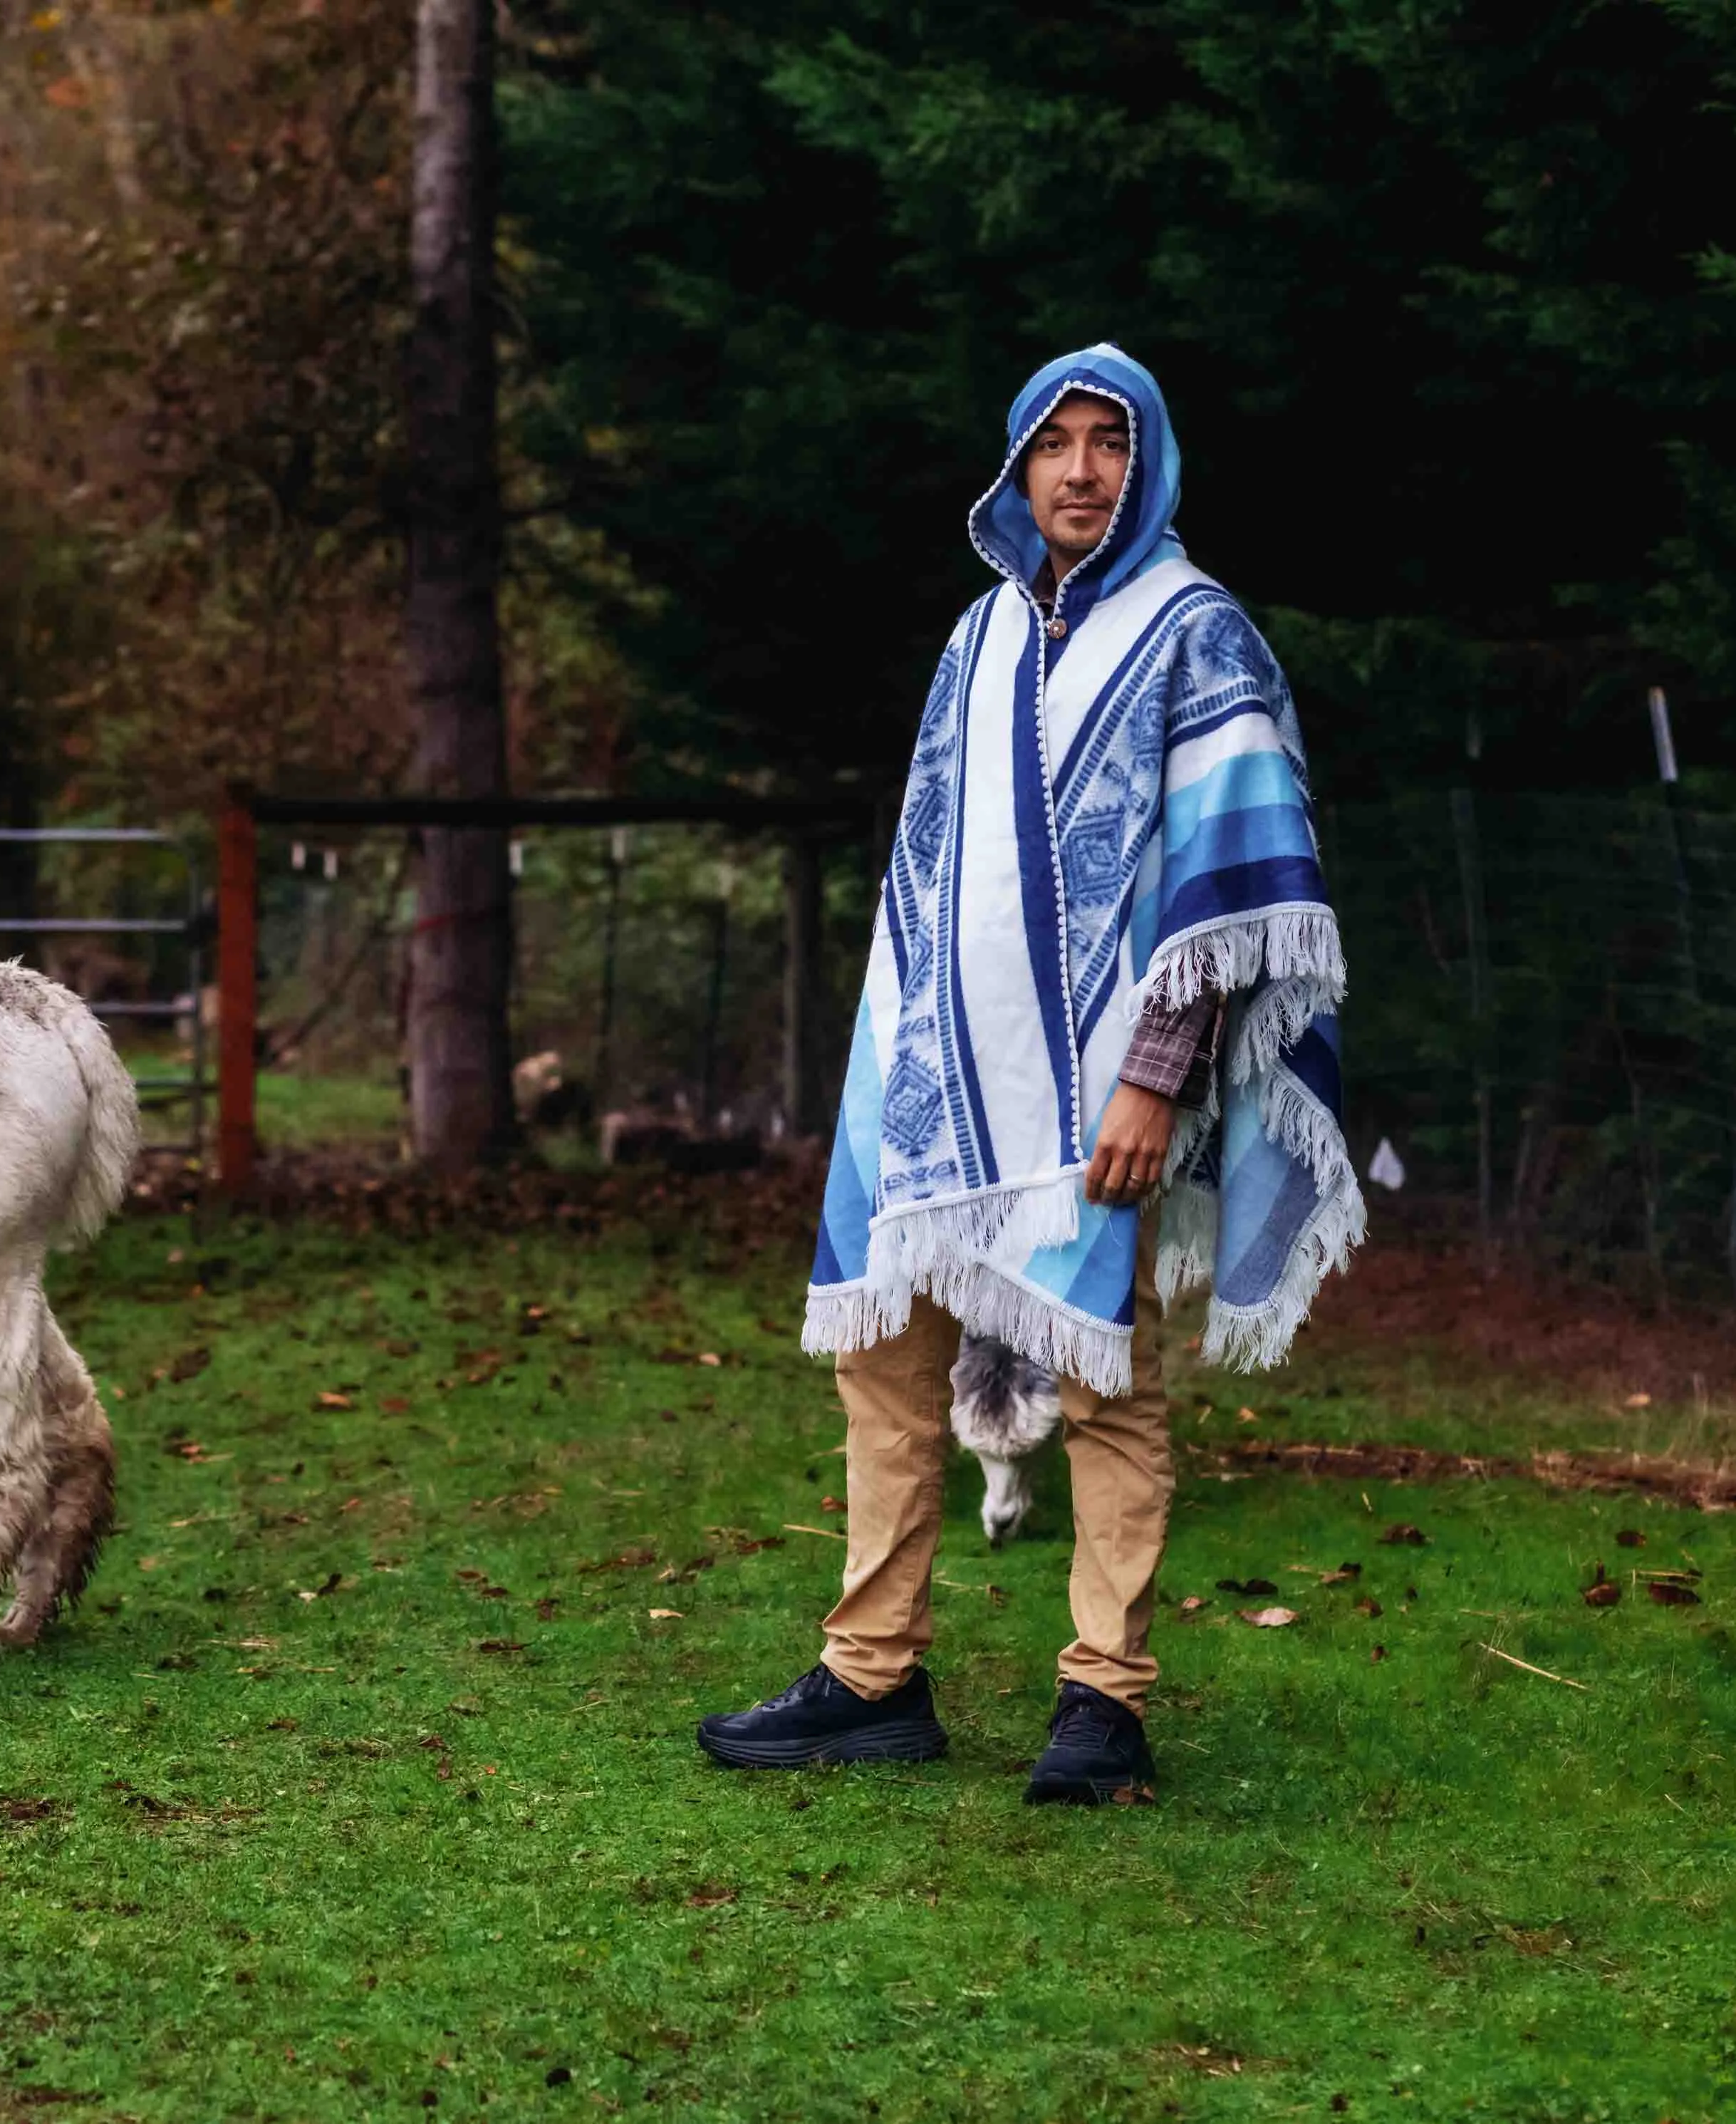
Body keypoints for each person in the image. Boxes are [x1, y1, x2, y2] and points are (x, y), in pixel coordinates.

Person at [697, 344, 1363, 1803]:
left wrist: (1154, 1076)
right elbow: (928, 872)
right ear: (1013, 468)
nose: (1076, 471)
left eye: (1106, 443)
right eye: (1051, 443)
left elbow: (1227, 880)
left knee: (1102, 1377)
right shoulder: (978, 636)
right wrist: (897, 1075)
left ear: (1149, 464)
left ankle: (1102, 1701)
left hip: (1094, 1101)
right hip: (945, 1087)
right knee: (883, 1371)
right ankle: (872, 1674)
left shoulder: (1199, 634)